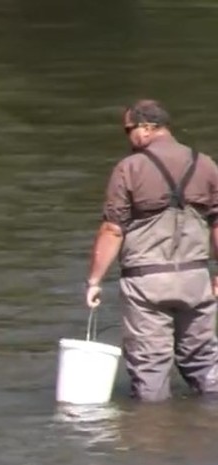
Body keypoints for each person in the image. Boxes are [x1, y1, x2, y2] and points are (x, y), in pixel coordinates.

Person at [85, 99, 218, 401]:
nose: (128, 137)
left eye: (128, 130)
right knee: (205, 364)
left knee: (150, 373)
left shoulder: (129, 168)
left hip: (147, 283)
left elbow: (112, 229)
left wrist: (94, 281)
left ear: (145, 128)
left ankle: (151, 438)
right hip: (196, 280)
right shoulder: (206, 164)